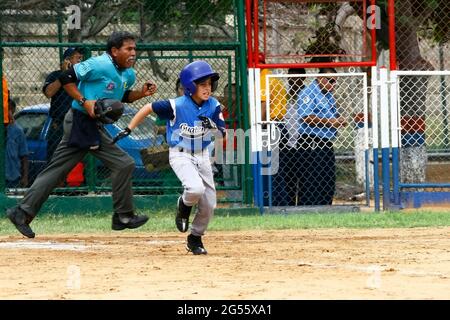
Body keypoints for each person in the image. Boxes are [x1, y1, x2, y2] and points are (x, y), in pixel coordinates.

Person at [6, 31, 157, 238]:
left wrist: (141, 93)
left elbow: (121, 96)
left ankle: (21, 212)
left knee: (60, 170)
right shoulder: (99, 64)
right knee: (123, 163)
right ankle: (123, 216)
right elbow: (66, 77)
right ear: (114, 51)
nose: (133, 53)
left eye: (134, 49)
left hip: (91, 125)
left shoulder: (128, 74)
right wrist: (84, 100)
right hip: (80, 121)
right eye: (128, 49)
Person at [114, 60, 226, 255]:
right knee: (194, 188)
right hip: (180, 155)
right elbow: (148, 107)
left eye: (209, 84)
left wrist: (213, 127)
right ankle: (183, 205)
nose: (207, 88)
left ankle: (195, 238)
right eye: (202, 84)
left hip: (202, 155)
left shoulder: (213, 105)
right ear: (190, 86)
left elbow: (222, 133)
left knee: (209, 203)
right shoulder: (176, 105)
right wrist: (129, 127)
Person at [294, 67, 347, 205]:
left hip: (325, 141)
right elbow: (306, 117)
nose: (333, 85)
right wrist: (330, 122)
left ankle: (325, 205)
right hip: (311, 140)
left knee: (327, 177)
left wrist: (339, 120)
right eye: (330, 81)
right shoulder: (309, 93)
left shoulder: (328, 95)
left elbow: (332, 115)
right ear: (320, 78)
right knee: (311, 177)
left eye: (335, 82)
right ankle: (308, 206)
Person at [43, 47, 84, 162]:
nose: (80, 61)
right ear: (67, 60)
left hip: (79, 121)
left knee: (78, 160)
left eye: (82, 58)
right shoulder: (55, 75)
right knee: (56, 159)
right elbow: (49, 92)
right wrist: (64, 75)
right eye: (77, 58)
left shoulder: (82, 77)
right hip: (60, 123)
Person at [272, 68, 306, 206]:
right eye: (290, 77)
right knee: (288, 177)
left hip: (303, 142)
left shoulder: (306, 94)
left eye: (296, 77)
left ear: (303, 78)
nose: (292, 80)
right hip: (286, 142)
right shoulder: (284, 94)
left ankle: (303, 205)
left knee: (303, 178)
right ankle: (290, 205)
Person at [5, 98, 29, 188]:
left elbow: (24, 156)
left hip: (12, 177)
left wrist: (25, 177)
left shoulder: (18, 130)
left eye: (10, 110)